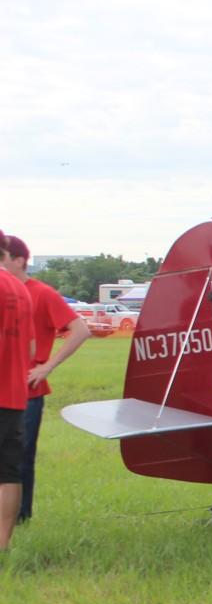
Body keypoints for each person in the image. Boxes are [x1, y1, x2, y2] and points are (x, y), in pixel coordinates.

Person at [1, 234, 89, 522]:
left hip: (26, 388)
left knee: (19, 459)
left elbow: (80, 330)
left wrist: (46, 366)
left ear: (19, 260)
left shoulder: (41, 293)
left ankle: (20, 517)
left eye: (5, 257)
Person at [0, 232, 34, 549]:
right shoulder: (19, 289)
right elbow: (32, 344)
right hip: (14, 395)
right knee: (8, 472)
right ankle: (3, 542)